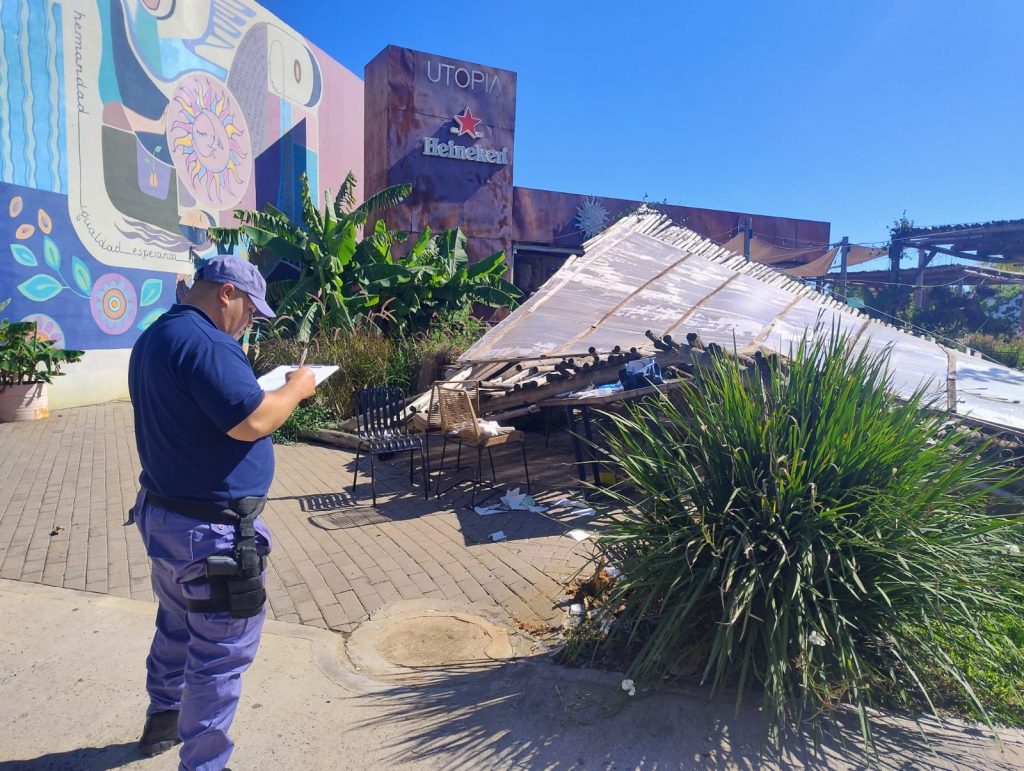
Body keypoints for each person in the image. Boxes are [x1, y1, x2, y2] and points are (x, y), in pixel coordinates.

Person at [127, 255, 316, 770]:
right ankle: (204, 764)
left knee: (177, 623)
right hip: (211, 533)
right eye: (251, 309)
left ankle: (163, 716)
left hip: (166, 519)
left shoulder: (156, 337)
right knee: (219, 655)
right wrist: (297, 388)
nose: (251, 321)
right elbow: (252, 420)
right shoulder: (208, 343)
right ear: (227, 293)